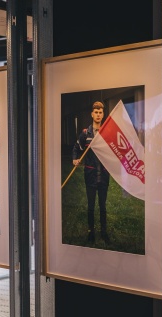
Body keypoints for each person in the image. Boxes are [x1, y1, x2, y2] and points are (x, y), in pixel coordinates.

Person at [72, 101, 110, 244]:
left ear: (103, 114)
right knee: (91, 206)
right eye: (96, 112)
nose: (98, 115)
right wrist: (75, 159)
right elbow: (76, 148)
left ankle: (104, 232)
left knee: (103, 206)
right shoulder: (85, 133)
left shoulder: (107, 133)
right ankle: (91, 232)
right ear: (92, 114)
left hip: (104, 177)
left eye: (101, 112)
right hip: (90, 177)